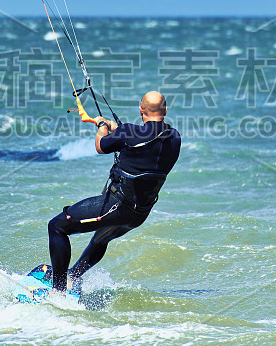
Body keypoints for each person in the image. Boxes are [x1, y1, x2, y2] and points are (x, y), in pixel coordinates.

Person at [47, 91, 181, 292]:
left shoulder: (128, 133)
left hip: (116, 208)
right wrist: (118, 131)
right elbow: (144, 144)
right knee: (101, 238)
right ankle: (72, 277)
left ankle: (58, 291)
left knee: (57, 227)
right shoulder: (174, 138)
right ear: (165, 111)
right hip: (139, 214)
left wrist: (102, 126)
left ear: (140, 111)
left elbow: (101, 146)